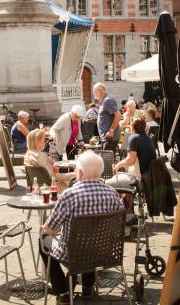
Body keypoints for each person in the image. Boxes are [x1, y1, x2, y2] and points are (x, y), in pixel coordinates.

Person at [41, 151, 124, 303]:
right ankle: (87, 288)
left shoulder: (69, 195)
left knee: (43, 239)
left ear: (78, 173)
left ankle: (63, 292)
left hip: (73, 254)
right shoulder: (112, 193)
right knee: (92, 241)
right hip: (104, 252)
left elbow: (49, 229)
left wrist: (56, 229)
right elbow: (119, 226)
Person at [93, 82, 121, 153]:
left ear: (100, 91)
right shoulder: (104, 100)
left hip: (110, 137)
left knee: (107, 161)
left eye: (95, 92)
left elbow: (118, 115)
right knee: (107, 160)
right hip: (106, 137)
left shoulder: (107, 100)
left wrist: (111, 130)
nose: (94, 95)